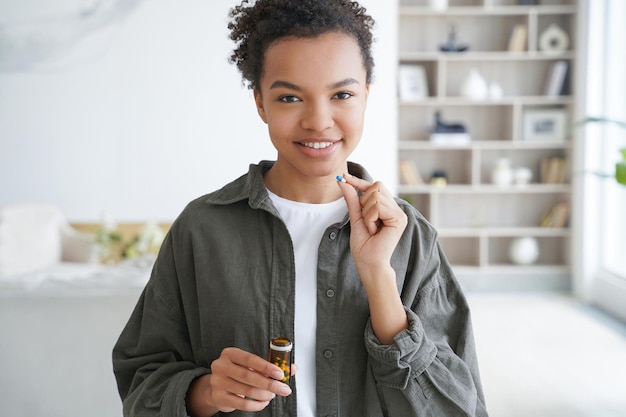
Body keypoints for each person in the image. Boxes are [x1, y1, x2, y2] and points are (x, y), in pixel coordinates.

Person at [112, 0, 489, 416]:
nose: (318, 121)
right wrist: (205, 391)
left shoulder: (410, 236)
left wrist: (379, 278)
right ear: (260, 103)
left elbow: (457, 406)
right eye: (290, 97)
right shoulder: (200, 230)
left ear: (366, 96)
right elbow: (141, 380)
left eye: (342, 94)